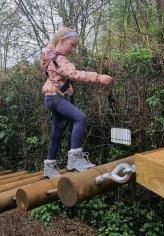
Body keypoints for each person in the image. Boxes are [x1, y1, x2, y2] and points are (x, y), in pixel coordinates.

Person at [40, 27, 114, 179]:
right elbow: (74, 74)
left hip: (53, 97)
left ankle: (49, 166)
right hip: (56, 97)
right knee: (80, 117)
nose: (73, 49)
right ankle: (74, 158)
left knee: (57, 133)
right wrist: (98, 77)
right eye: (72, 44)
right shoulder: (58, 58)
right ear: (61, 41)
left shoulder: (51, 57)